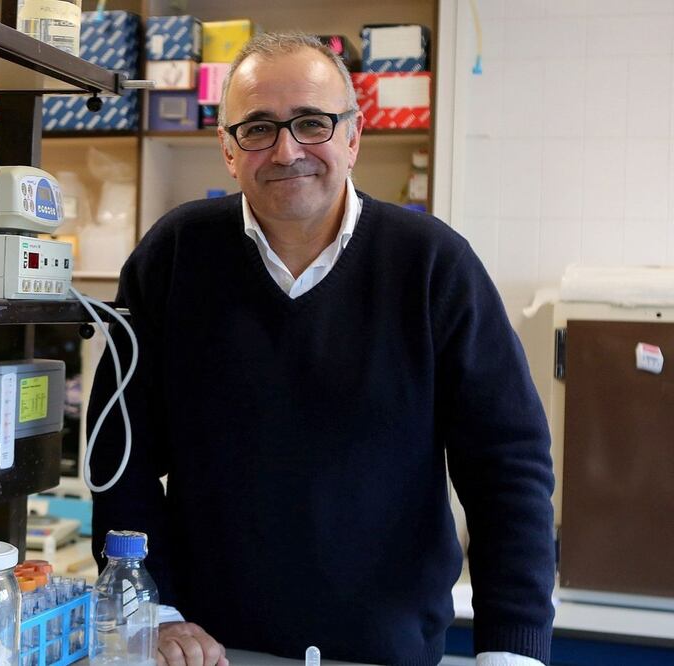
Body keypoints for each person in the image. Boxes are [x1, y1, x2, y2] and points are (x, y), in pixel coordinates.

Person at [88, 32, 556, 666]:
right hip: (210, 650)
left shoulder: (431, 264)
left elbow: (507, 467)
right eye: (258, 129)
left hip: (386, 650)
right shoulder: (173, 257)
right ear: (228, 149)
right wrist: (153, 611)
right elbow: (120, 454)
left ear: (353, 137)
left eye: (313, 123)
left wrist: (512, 649)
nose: (288, 151)